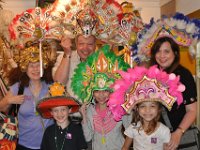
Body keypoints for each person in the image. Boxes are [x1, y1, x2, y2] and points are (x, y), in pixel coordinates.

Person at [107, 65, 185, 150]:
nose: (147, 110)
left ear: (158, 109)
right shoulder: (133, 128)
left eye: (152, 106)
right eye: (143, 106)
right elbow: (125, 147)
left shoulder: (164, 131)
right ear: (137, 109)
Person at [72, 45, 132, 150]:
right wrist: (84, 117)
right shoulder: (90, 110)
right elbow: (87, 138)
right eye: (97, 91)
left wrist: (125, 148)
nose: (101, 95)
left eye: (105, 91)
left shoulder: (120, 107)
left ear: (111, 91)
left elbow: (131, 131)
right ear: (91, 92)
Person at [0, 42, 54, 150]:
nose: (35, 69)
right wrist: (10, 100)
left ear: (43, 66)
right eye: (31, 66)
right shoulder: (18, 88)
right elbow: (1, 107)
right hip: (23, 145)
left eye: (38, 65)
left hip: (49, 144)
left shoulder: (52, 87)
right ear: (25, 68)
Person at [150, 37, 197, 150]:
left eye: (166, 51)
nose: (162, 55)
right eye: (158, 51)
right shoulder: (150, 76)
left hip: (178, 137)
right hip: (156, 138)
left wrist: (178, 133)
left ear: (175, 53)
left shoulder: (184, 75)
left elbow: (192, 111)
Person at [37, 82, 87, 150]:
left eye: (63, 109)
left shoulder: (77, 130)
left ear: (69, 110)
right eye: (55, 111)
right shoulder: (48, 131)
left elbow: (82, 148)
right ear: (51, 112)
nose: (59, 114)